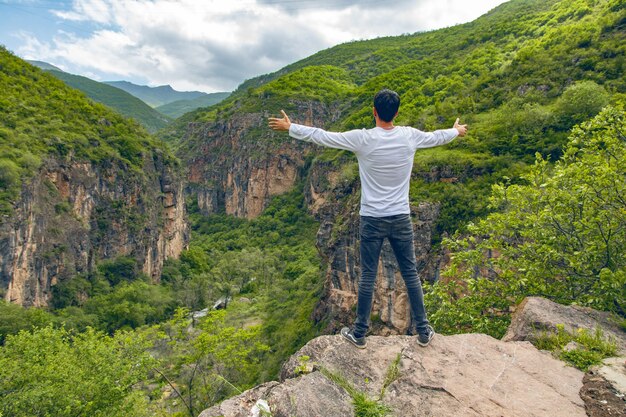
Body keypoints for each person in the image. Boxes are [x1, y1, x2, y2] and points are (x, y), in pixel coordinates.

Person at [268, 89, 467, 348]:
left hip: (372, 218)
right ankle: (424, 330)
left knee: (367, 276)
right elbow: (437, 137)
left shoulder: (363, 139)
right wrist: (456, 131)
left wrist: (291, 127)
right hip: (401, 218)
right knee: (410, 273)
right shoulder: (409, 136)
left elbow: (323, 137)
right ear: (396, 113)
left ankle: (359, 333)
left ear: (374, 111)